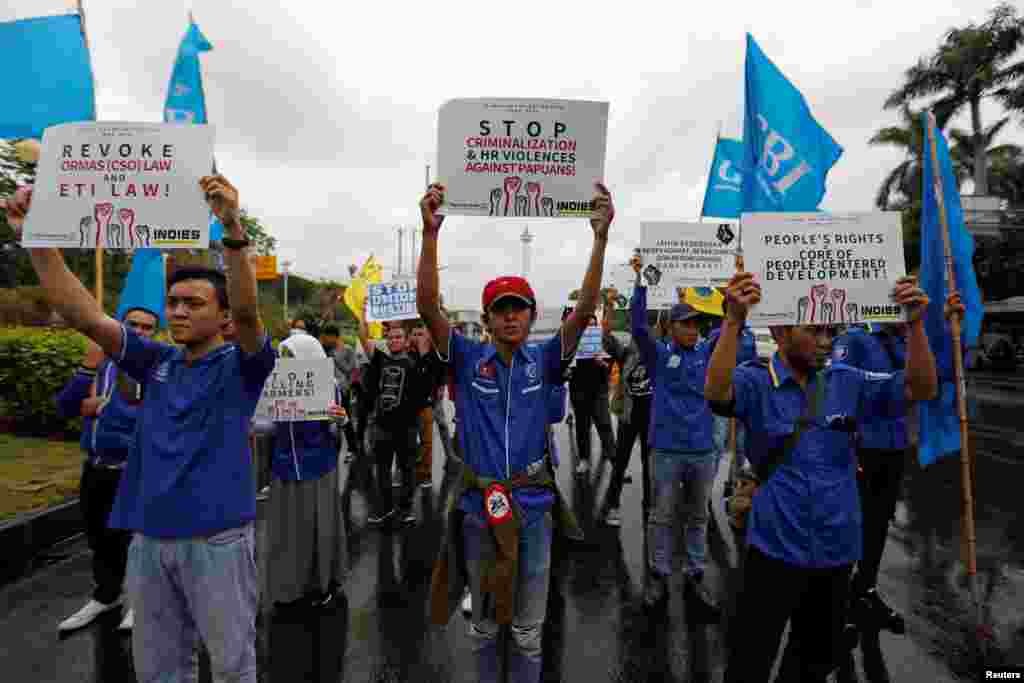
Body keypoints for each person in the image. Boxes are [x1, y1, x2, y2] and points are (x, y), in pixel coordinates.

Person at [3, 175, 273, 682]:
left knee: (234, 666)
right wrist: (38, 239)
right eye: (174, 302)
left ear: (223, 318)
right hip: (148, 540)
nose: (177, 311)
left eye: (193, 303)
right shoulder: (154, 360)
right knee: (159, 669)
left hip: (216, 542)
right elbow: (83, 313)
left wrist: (232, 225)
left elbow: (248, 308)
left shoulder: (244, 366)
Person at [705, 270, 948, 683]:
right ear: (781, 330)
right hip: (773, 552)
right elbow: (716, 393)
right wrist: (733, 320)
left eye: (830, 330)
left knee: (812, 665)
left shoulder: (847, 381)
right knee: (749, 661)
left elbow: (921, 388)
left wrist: (915, 324)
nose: (825, 340)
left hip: (836, 555)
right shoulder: (755, 380)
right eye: (814, 330)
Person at [421, 181, 610, 683]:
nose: (510, 315)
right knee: (485, 628)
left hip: (533, 510)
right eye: (501, 308)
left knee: (528, 630)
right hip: (478, 509)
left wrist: (600, 238)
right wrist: (429, 234)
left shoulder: (546, 360)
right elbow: (427, 308)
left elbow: (586, 308)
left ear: (531, 316)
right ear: (486, 318)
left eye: (519, 307)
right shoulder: (464, 357)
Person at [53, 307, 160, 633]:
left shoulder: (156, 367)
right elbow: (66, 407)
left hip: (135, 469)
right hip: (97, 467)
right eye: (134, 325)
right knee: (99, 538)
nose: (140, 331)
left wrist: (102, 406)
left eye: (148, 327)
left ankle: (141, 603)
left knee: (138, 541)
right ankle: (107, 595)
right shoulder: (100, 364)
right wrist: (88, 366)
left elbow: (153, 416)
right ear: (120, 326)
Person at [628, 254, 718, 612]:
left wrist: (738, 277)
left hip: (701, 450)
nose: (692, 329)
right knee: (662, 516)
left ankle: (696, 575)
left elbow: (733, 331)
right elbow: (637, 327)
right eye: (685, 324)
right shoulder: (659, 356)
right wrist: (640, 283)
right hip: (666, 449)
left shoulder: (709, 352)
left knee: (698, 516)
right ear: (672, 327)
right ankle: (660, 576)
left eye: (696, 323)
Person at [266, 331, 349, 614]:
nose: (287, 362)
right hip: (284, 469)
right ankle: (288, 588)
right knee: (287, 534)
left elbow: (335, 429)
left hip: (317, 470)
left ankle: (321, 585)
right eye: (283, 356)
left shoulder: (330, 386)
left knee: (318, 529)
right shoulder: (273, 384)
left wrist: (339, 420)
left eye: (293, 356)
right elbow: (265, 424)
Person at [359, 318, 436, 526]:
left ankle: (405, 508)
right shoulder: (381, 359)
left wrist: (425, 328)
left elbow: (428, 373)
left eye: (398, 337)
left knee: (407, 470)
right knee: (382, 470)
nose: (394, 340)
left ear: (406, 340)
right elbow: (363, 338)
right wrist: (363, 315)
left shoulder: (415, 363)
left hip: (407, 428)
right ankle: (385, 508)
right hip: (383, 427)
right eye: (391, 337)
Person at [599, 291, 653, 527]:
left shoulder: (658, 352)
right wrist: (608, 309)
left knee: (649, 464)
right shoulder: (626, 351)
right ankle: (612, 504)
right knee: (620, 462)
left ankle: (650, 505)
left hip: (652, 417)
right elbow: (607, 340)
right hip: (629, 416)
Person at [706, 298, 757, 498]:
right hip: (722, 396)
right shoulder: (717, 335)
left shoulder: (750, 336)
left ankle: (734, 485)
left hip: (744, 397)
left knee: (742, 446)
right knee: (718, 442)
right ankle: (706, 490)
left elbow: (752, 363)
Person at [568, 314, 616, 475]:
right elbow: (564, 369)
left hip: (599, 391)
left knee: (605, 425)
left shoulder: (603, 343)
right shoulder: (572, 345)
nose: (590, 329)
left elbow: (610, 366)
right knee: (582, 428)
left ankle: (615, 461)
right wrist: (569, 367)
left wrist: (601, 361)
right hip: (579, 392)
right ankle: (584, 460)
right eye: (587, 326)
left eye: (593, 326)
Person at [321, 324, 362, 464]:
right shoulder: (326, 350)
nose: (325, 340)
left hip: (343, 389)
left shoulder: (348, 350)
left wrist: (348, 387)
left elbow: (351, 369)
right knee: (331, 419)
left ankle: (353, 449)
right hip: (329, 389)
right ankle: (333, 449)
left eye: (327, 337)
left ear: (334, 336)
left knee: (345, 420)